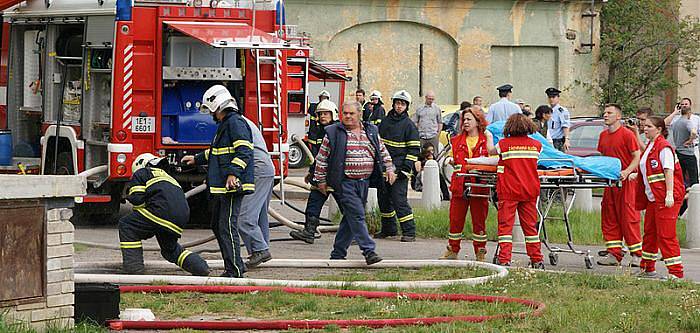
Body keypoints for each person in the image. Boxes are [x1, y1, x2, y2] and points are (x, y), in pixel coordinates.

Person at [181, 85, 254, 278]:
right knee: (217, 224)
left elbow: (244, 150)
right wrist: (196, 159)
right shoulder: (226, 125)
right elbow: (217, 152)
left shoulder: (235, 123)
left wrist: (233, 174)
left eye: (210, 109)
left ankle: (234, 271)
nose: (210, 114)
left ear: (217, 106)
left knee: (227, 226)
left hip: (231, 186)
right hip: (224, 185)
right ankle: (236, 265)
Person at [313, 101, 396, 264]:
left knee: (350, 218)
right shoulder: (333, 132)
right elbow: (321, 159)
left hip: (364, 181)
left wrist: (390, 168)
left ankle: (337, 254)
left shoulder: (371, 131)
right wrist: (320, 180)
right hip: (344, 182)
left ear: (359, 115)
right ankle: (369, 250)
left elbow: (382, 151)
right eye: (345, 113)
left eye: (351, 113)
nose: (348, 116)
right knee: (357, 214)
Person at [119, 153, 210, 276]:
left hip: (160, 212)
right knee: (170, 250)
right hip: (180, 217)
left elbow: (137, 199)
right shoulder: (169, 177)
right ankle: (201, 268)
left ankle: (133, 269)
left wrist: (129, 197)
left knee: (127, 225)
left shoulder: (142, 173)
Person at [486, 114, 544, 268]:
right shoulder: (537, 145)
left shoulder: (504, 144)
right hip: (530, 191)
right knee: (530, 227)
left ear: (510, 127)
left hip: (509, 190)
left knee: (506, 227)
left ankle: (504, 259)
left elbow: (491, 152)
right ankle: (537, 259)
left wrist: (488, 136)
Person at [635, 116, 685, 279]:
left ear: (659, 129)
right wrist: (636, 175)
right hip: (654, 198)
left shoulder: (663, 147)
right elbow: (649, 167)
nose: (645, 128)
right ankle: (647, 268)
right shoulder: (651, 145)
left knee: (666, 234)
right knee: (650, 233)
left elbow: (668, 171)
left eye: (649, 126)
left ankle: (676, 273)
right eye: (645, 126)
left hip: (665, 198)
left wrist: (669, 194)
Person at [440, 107, 491, 261]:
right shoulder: (456, 140)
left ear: (478, 121)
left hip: (479, 186)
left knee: (479, 220)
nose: (465, 122)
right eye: (464, 120)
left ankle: (480, 251)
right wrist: (450, 160)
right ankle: (452, 249)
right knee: (455, 219)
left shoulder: (485, 140)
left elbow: (492, 156)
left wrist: (489, 139)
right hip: (460, 185)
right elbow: (449, 156)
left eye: (469, 119)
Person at [596, 104, 642, 267]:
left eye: (609, 113)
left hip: (626, 182)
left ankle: (637, 255)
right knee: (609, 216)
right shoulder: (603, 136)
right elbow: (603, 157)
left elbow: (637, 156)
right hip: (610, 183)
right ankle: (614, 254)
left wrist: (627, 172)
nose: (605, 115)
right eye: (604, 112)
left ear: (618, 117)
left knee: (629, 217)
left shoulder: (627, 135)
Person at [289, 99, 339, 244]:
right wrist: (312, 172)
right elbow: (318, 156)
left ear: (333, 115)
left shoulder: (336, 131)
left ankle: (355, 233)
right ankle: (309, 231)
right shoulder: (318, 131)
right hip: (321, 175)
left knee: (346, 205)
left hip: (334, 176)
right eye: (320, 114)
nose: (322, 116)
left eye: (326, 114)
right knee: (314, 202)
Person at [376, 90, 421, 242]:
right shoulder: (385, 122)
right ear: (393, 103)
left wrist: (404, 170)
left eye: (402, 104)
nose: (399, 106)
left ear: (406, 106)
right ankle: (389, 229)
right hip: (384, 169)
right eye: (397, 103)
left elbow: (414, 150)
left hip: (399, 171)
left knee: (399, 201)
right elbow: (378, 145)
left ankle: (409, 232)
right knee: (383, 200)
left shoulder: (409, 126)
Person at [237, 114, 275, 268]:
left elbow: (239, 152)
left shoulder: (235, 124)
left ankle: (260, 249)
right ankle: (260, 251)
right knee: (259, 216)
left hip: (258, 170)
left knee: (244, 217)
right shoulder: (243, 121)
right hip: (266, 169)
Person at [668, 99, 698, 216]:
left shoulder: (676, 122)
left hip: (679, 154)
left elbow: (664, 123)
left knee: (680, 182)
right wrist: (690, 140)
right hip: (689, 155)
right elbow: (694, 132)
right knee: (694, 184)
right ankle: (690, 211)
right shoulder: (687, 121)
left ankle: (679, 210)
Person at [546, 87, 571, 152]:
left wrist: (567, 139)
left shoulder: (562, 111)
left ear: (558, 98)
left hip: (557, 142)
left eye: (553, 97)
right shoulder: (546, 110)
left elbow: (565, 126)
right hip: (547, 141)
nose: (551, 99)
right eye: (549, 97)